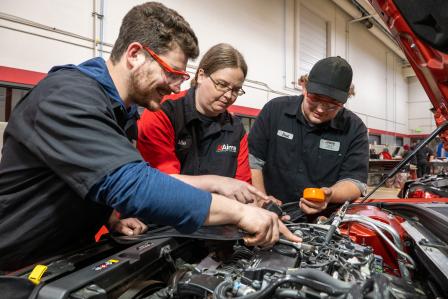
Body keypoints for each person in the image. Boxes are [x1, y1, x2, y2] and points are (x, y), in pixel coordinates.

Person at [0, 2, 299, 272]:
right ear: (135, 54)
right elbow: (132, 183)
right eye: (171, 73)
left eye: (181, 77)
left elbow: (82, 175)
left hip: (62, 259)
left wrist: (108, 217)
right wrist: (238, 212)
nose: (174, 86)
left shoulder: (122, 112)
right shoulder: (68, 96)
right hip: (14, 263)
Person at [137, 43, 260, 204]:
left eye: (236, 90)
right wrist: (218, 183)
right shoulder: (164, 112)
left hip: (220, 222)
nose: (228, 95)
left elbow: (241, 187)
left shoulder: (235, 129)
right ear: (201, 75)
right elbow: (162, 183)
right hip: (163, 220)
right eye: (222, 85)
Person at [249, 56, 369, 215]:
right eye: (315, 99)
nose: (320, 109)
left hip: (323, 220)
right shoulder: (275, 111)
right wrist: (262, 200)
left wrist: (329, 195)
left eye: (331, 105)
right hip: (269, 213)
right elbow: (253, 160)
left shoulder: (354, 128)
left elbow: (355, 182)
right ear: (304, 87)